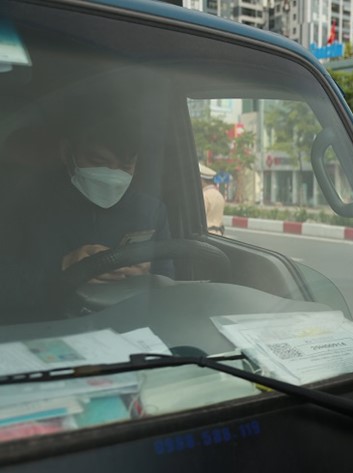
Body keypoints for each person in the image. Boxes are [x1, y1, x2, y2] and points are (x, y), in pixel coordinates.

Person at [0, 103, 171, 317]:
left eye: (126, 167)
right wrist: (62, 267)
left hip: (124, 329)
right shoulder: (21, 205)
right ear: (66, 153)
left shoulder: (151, 211)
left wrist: (145, 274)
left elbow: (167, 283)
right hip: (43, 328)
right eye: (98, 162)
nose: (112, 175)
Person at [200, 163, 225, 235]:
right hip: (218, 234)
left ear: (202, 181)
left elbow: (200, 218)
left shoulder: (204, 195)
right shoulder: (219, 195)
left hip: (207, 234)